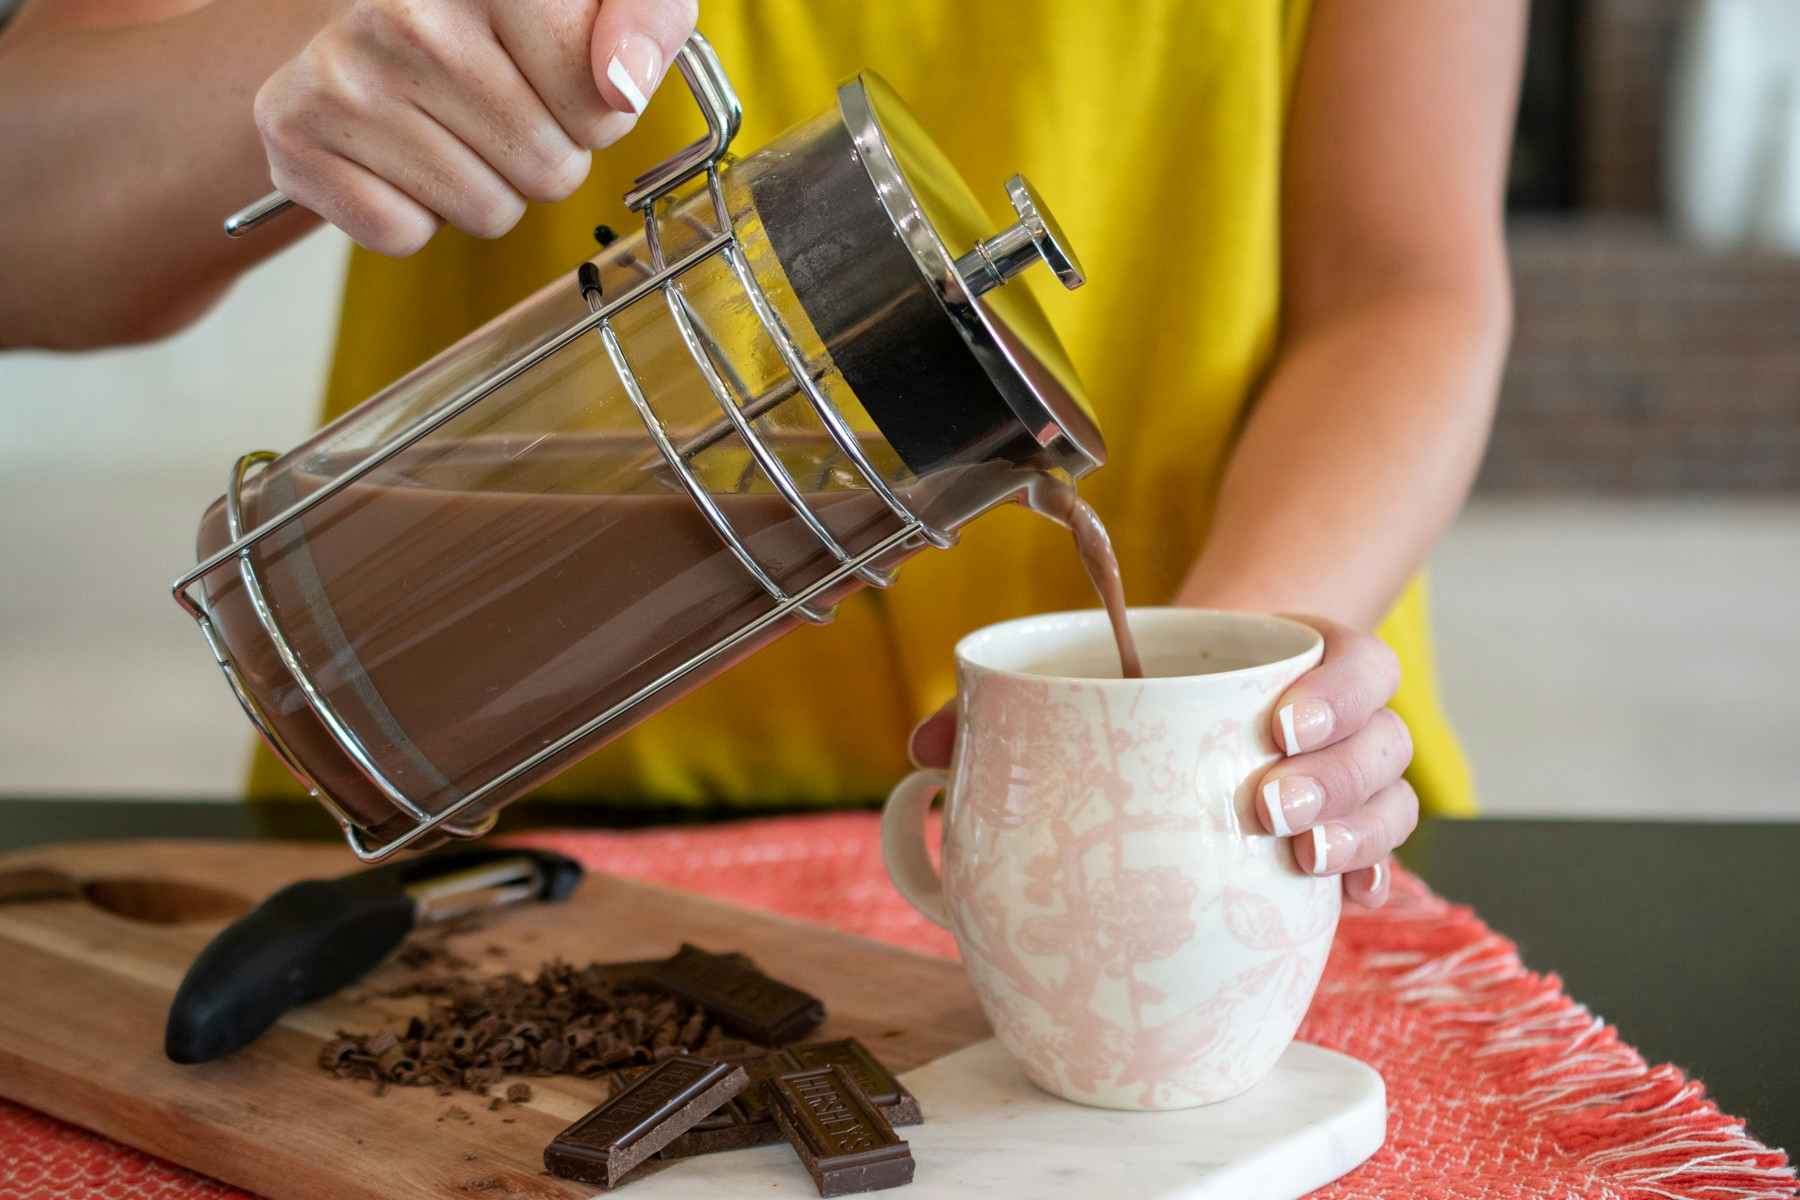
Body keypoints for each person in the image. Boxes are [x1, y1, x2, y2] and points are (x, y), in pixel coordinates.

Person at [0, 1, 1524, 908]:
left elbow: (1405, 287)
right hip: (482, 801)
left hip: (1212, 806)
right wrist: (321, 41)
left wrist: (1212, 693)